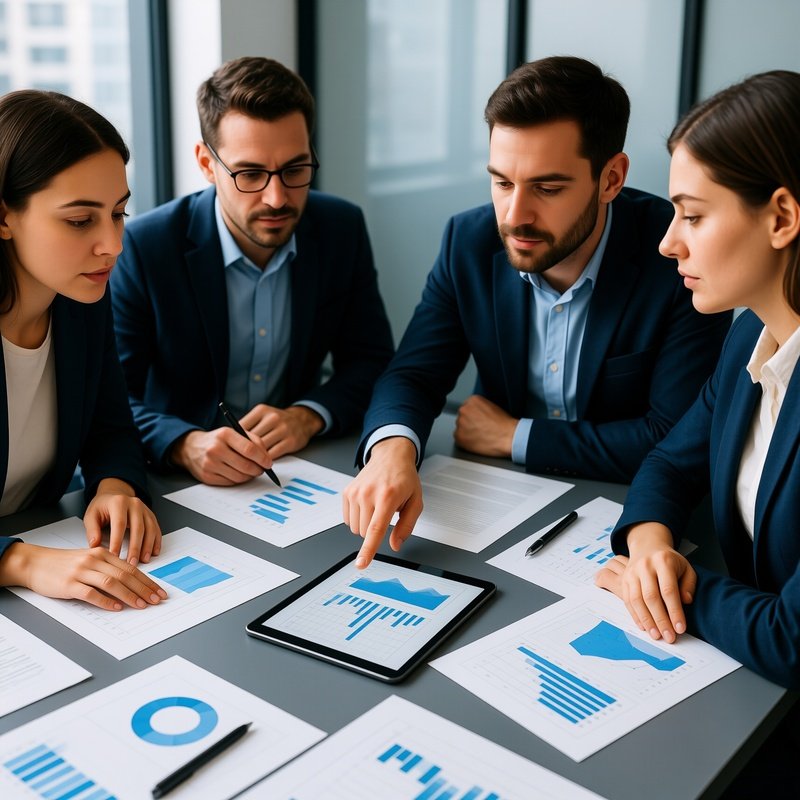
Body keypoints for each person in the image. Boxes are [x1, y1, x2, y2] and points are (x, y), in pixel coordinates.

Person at [343, 56, 731, 569]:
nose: (514, 216)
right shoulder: (468, 240)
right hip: (494, 505)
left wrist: (513, 435)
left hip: (632, 517)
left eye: (547, 189)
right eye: (502, 183)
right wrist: (393, 449)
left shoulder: (677, 257)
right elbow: (414, 372)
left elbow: (671, 438)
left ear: (611, 178)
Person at [596, 70, 800, 794]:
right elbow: (669, 462)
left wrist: (677, 589)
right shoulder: (751, 334)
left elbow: (792, 637)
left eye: (692, 215)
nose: (667, 244)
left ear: (780, 218)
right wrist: (650, 542)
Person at [111, 57, 394, 486]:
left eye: (295, 170)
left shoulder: (341, 228)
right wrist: (183, 443)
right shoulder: (146, 246)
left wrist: (308, 416)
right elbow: (109, 399)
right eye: (250, 174)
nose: (278, 198)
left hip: (301, 466)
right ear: (207, 164)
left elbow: (372, 361)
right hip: (178, 481)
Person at [0, 90, 167, 612]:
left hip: (49, 542)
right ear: (4, 217)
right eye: (79, 220)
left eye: (118, 213)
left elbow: (110, 426)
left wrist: (114, 487)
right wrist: (20, 561)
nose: (112, 244)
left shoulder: (81, 296)